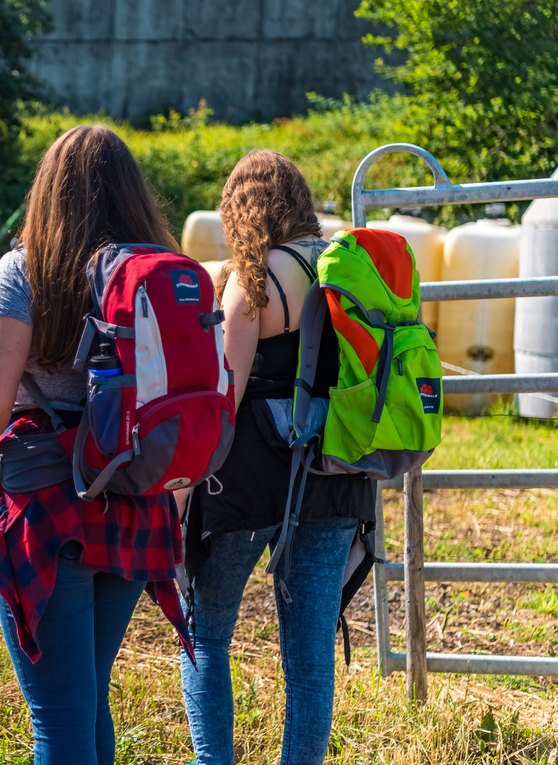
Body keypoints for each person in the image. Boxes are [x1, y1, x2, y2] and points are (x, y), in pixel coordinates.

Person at [0, 124, 192, 765]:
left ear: (47, 192)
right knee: (88, 701)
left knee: (60, 718)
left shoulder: (24, 269)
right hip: (136, 493)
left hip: (49, 501)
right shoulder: (157, 271)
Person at [176, 150, 374, 764]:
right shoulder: (346, 269)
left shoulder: (254, 278)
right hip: (337, 477)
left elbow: (223, 398)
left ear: (243, 211)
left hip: (250, 484)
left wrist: (180, 492)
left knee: (206, 634)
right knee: (311, 664)